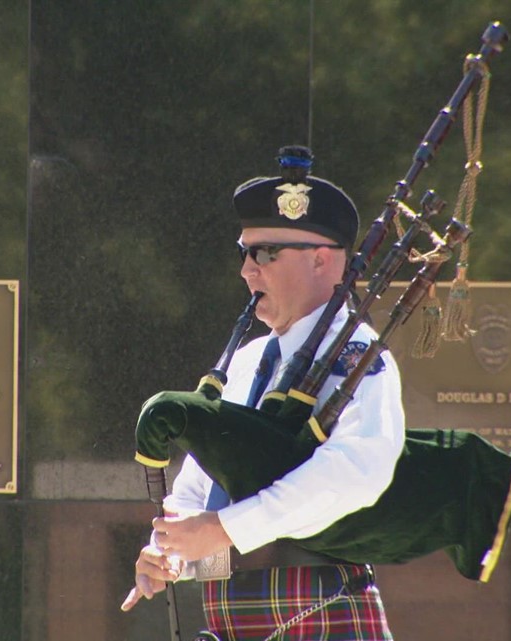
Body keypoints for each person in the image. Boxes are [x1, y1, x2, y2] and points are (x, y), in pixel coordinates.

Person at [121, 146, 405, 640]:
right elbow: (201, 486)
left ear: (322, 260)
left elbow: (357, 472)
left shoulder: (357, 357)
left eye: (266, 253)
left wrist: (227, 529)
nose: (247, 270)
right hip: (233, 619)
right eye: (244, 252)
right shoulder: (248, 361)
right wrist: (172, 552)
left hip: (319, 612)